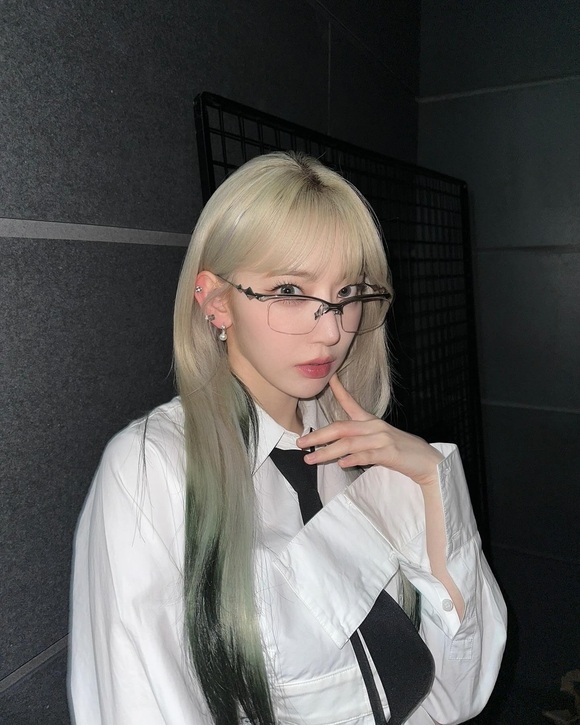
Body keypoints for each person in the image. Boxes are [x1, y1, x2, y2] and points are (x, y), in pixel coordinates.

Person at [69, 152, 507, 725]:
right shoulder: (154, 470)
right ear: (217, 302)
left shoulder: (362, 452)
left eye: (348, 292)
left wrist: (430, 481)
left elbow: (456, 694)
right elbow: (138, 705)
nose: (332, 329)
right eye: (289, 290)